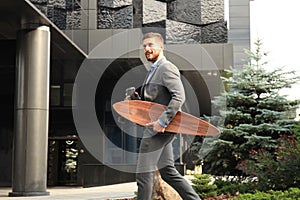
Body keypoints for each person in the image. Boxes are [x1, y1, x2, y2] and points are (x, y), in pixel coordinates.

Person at [126, 32, 201, 200]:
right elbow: (155, 100)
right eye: (144, 46)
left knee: (143, 175)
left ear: (161, 47)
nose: (147, 49)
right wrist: (136, 100)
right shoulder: (153, 70)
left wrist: (162, 122)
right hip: (160, 130)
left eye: (151, 45)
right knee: (168, 172)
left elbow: (179, 96)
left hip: (157, 129)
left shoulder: (166, 67)